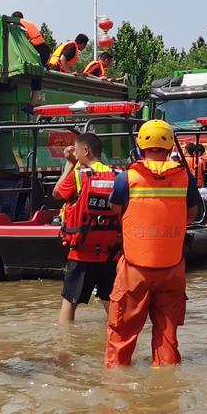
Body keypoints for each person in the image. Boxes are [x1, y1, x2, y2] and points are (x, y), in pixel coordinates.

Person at [105, 120, 201, 366]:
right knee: (168, 338)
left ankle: (117, 387)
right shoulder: (185, 179)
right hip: (172, 267)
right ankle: (167, 388)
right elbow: (191, 215)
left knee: (121, 335)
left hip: (135, 269)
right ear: (170, 146)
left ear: (140, 144)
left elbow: (116, 209)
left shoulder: (126, 178)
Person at [51, 132, 120, 325]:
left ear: (86, 151)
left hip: (82, 252)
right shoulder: (118, 176)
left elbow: (57, 193)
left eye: (77, 149)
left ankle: (65, 346)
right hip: (110, 252)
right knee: (111, 300)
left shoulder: (79, 174)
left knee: (69, 302)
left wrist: (71, 163)